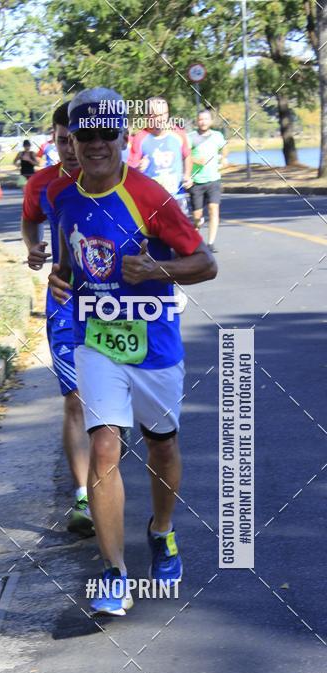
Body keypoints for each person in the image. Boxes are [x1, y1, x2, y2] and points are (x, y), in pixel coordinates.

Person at [48, 87, 217, 615]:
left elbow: (206, 263)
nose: (96, 145)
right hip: (96, 339)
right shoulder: (64, 197)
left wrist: (157, 271)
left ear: (124, 137)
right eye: (86, 136)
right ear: (71, 140)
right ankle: (114, 571)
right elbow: (67, 261)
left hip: (153, 339)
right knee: (104, 447)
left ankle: (161, 531)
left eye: (107, 135)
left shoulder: (152, 198)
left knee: (161, 445)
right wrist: (59, 280)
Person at [21, 101, 92, 536]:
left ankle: (105, 480)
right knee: (75, 399)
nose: (69, 149)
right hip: (64, 302)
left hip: (112, 306)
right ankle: (84, 495)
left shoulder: (115, 182)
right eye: (62, 140)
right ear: (55, 139)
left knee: (107, 406)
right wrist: (32, 248)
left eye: (76, 140)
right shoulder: (43, 184)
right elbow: (30, 223)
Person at [128, 97, 192, 215]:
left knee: (179, 232)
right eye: (156, 115)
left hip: (177, 196)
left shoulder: (178, 133)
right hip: (151, 200)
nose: (161, 119)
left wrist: (187, 175)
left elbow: (187, 155)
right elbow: (130, 171)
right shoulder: (140, 138)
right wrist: (138, 168)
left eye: (164, 114)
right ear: (147, 116)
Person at [188, 108, 228, 252]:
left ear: (211, 121)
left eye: (205, 119)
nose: (203, 122)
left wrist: (224, 158)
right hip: (197, 181)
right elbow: (185, 156)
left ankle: (211, 243)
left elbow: (224, 148)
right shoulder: (191, 137)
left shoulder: (217, 136)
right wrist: (195, 159)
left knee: (213, 208)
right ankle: (197, 241)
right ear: (197, 121)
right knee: (197, 217)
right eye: (200, 119)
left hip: (214, 180)